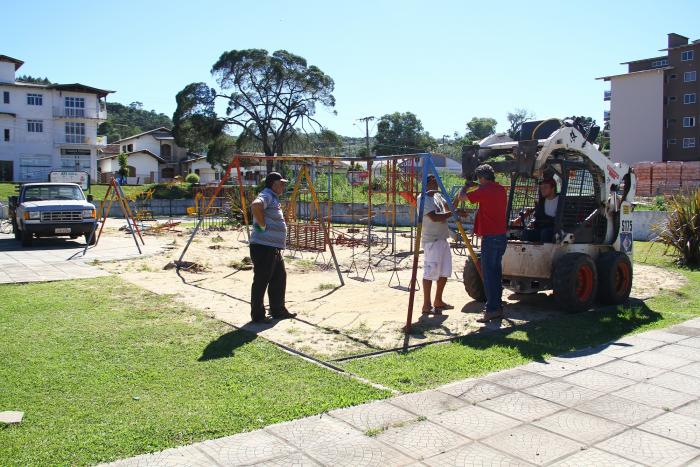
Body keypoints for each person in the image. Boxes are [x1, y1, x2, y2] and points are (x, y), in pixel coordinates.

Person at [458, 164, 508, 322]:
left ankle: (492, 309)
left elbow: (461, 197)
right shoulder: (500, 189)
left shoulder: (484, 190)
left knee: (488, 275)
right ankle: (497, 306)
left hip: (491, 237)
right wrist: (478, 186)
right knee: (496, 274)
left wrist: (466, 186)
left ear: (482, 178)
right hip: (501, 236)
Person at [249, 172, 297, 323]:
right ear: (273, 184)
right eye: (281, 183)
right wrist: (262, 226)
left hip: (273, 247)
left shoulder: (273, 197)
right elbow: (256, 205)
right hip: (264, 247)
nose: (283, 185)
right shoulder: (267, 194)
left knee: (279, 278)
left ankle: (278, 310)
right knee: (261, 281)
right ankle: (258, 316)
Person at [417, 174, 454, 315]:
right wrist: (452, 214)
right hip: (431, 241)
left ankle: (438, 300)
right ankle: (426, 305)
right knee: (430, 272)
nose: (437, 184)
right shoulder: (423, 199)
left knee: (444, 271)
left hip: (443, 239)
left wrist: (459, 198)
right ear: (428, 183)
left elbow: (449, 207)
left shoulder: (437, 197)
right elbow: (434, 217)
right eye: (434, 182)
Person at [513, 179, 559, 243]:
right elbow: (538, 217)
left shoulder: (561, 201)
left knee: (545, 233)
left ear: (553, 188)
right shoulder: (541, 202)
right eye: (541, 188)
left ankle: (544, 252)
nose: (542, 190)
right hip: (541, 229)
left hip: (555, 230)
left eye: (545, 187)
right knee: (526, 233)